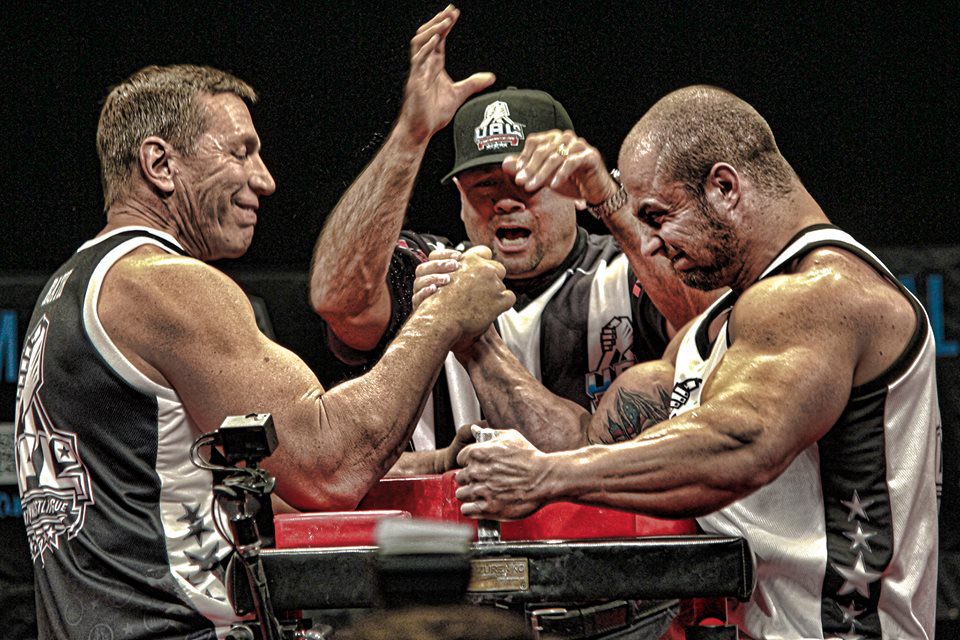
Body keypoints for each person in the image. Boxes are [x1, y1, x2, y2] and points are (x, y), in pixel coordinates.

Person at [12, 64, 513, 640]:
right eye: (241, 152)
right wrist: (444, 314)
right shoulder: (163, 283)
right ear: (160, 165)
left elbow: (220, 487)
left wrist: (433, 464)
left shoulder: (71, 285)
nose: (266, 179)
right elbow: (328, 465)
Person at [453, 85, 942, 639]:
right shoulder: (725, 324)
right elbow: (598, 442)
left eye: (659, 217)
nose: (652, 245)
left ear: (725, 187)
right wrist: (479, 351)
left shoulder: (820, 293)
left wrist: (547, 477)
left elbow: (738, 444)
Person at [310, 6, 714, 467]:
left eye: (526, 180)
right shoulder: (429, 266)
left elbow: (711, 323)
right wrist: (412, 132)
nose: (505, 202)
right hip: (435, 533)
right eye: (485, 185)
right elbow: (337, 300)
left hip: (597, 531)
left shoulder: (625, 268)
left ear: (575, 191)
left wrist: (611, 200)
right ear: (459, 198)